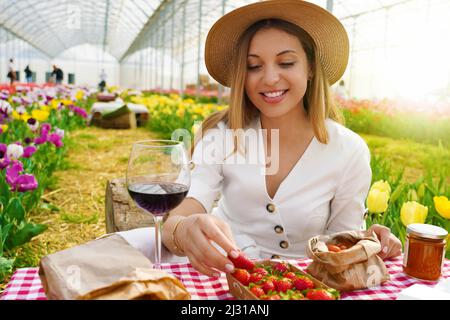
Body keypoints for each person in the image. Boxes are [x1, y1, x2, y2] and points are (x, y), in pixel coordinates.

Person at [118, 0, 402, 277]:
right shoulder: (222, 135)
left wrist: (365, 241)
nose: (269, 78)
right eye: (253, 66)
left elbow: (342, 241)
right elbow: (177, 218)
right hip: (224, 273)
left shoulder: (348, 150)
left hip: (305, 284)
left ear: (311, 68)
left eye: (286, 62)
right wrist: (183, 229)